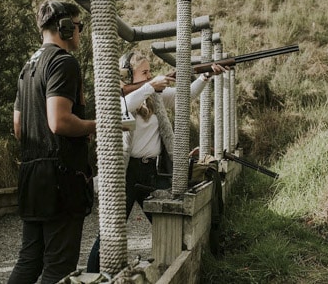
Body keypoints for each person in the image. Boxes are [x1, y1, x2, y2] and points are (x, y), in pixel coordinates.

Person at [86, 50, 226, 272]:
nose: (149, 75)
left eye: (150, 71)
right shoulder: (121, 97)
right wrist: (150, 85)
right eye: (144, 72)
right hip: (127, 173)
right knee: (109, 232)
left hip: (151, 171)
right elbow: (122, 108)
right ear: (128, 75)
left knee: (168, 222)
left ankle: (176, 270)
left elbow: (186, 94)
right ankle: (91, 274)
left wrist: (205, 76)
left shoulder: (155, 97)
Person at [8, 0, 96, 284]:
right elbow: (59, 121)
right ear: (66, 27)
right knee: (59, 268)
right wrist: (98, 125)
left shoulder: (27, 68)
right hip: (62, 177)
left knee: (29, 261)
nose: (80, 33)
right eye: (79, 26)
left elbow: (19, 128)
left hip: (33, 175)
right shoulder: (63, 62)